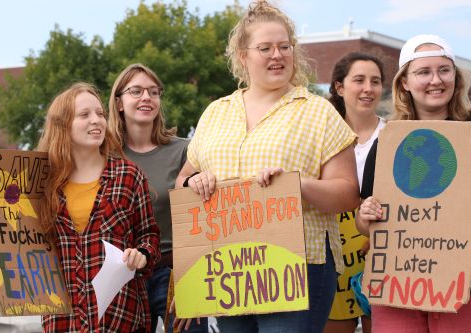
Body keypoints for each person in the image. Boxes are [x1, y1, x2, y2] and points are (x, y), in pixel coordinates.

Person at [175, 1, 359, 332]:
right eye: (265, 48)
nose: (277, 55)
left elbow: (348, 194)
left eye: (284, 46)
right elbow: (183, 181)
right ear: (243, 56)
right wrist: (194, 183)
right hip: (228, 270)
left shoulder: (317, 111)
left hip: (297, 269)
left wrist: (297, 184)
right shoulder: (216, 112)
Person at [356, 34, 471, 332]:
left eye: (444, 70)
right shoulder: (389, 140)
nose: (436, 80)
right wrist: (365, 215)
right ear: (405, 81)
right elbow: (365, 221)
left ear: (455, 77)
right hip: (399, 285)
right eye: (423, 72)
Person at [37, 82, 160, 333]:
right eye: (84, 115)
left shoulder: (128, 175)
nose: (97, 120)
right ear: (63, 125)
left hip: (120, 317)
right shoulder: (41, 184)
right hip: (63, 320)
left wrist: (142, 255)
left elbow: (150, 235)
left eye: (100, 114)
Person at [108, 63, 208, 333]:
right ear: (119, 102)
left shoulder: (184, 150)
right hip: (124, 275)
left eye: (153, 92)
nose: (146, 98)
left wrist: (193, 277)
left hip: (178, 271)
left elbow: (202, 217)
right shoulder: (104, 157)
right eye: (136, 91)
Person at [324, 52, 386, 333]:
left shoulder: (396, 136)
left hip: (382, 252)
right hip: (334, 256)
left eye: (375, 81)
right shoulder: (321, 137)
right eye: (359, 80)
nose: (368, 88)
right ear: (339, 87)